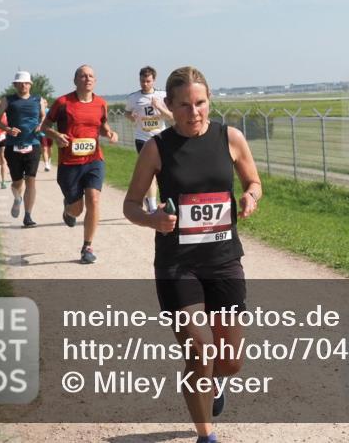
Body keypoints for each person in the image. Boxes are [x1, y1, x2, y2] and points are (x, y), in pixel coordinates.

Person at [124, 66, 261, 443]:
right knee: (200, 350)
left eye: (200, 102)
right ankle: (206, 435)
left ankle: (215, 384)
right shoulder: (157, 147)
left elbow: (254, 181)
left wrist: (250, 196)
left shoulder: (230, 138)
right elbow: (131, 205)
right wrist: (153, 219)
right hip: (176, 263)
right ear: (169, 106)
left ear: (210, 101)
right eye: (183, 105)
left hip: (223, 260)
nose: (194, 112)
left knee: (229, 360)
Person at [39, 64, 118, 264]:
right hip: (69, 163)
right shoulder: (63, 103)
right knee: (77, 210)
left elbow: (101, 125)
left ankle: (87, 246)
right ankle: (68, 209)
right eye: (83, 76)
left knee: (94, 200)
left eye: (91, 76)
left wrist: (109, 132)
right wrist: (56, 135)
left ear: (95, 80)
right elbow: (44, 126)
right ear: (75, 80)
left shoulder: (101, 103)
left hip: (93, 160)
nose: (87, 79)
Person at [0, 71, 47, 227]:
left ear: (30, 84)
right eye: (20, 83)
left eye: (26, 82)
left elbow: (44, 117)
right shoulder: (7, 100)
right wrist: (8, 129)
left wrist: (40, 125)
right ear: (15, 85)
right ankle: (17, 198)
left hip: (33, 144)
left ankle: (28, 215)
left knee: (31, 180)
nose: (23, 85)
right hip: (12, 145)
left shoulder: (39, 100)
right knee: (17, 182)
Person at [124, 65, 174, 213]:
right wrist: (131, 117)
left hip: (161, 137)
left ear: (154, 80)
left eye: (148, 81)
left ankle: (160, 201)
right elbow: (127, 113)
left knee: (164, 171)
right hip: (142, 139)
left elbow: (171, 117)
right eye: (142, 81)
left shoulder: (162, 95)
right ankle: (152, 206)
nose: (144, 84)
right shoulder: (134, 97)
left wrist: (159, 107)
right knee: (150, 171)